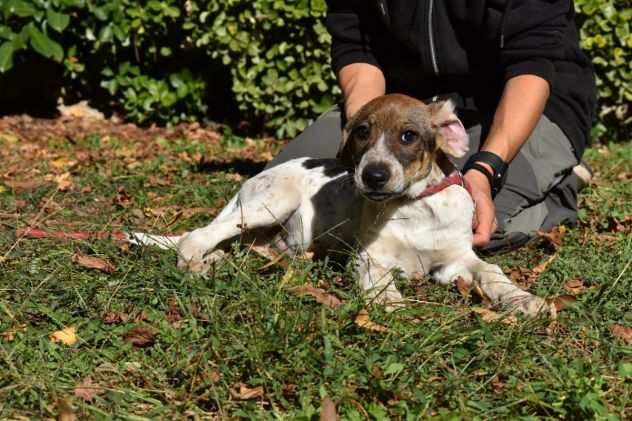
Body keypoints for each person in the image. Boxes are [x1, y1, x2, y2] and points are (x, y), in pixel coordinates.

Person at [266, 0, 596, 253]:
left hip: (525, 102)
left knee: (464, 225)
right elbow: (357, 48)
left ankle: (559, 191)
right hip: (406, 110)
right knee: (274, 201)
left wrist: (485, 170)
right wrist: (362, 138)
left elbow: (532, 65)